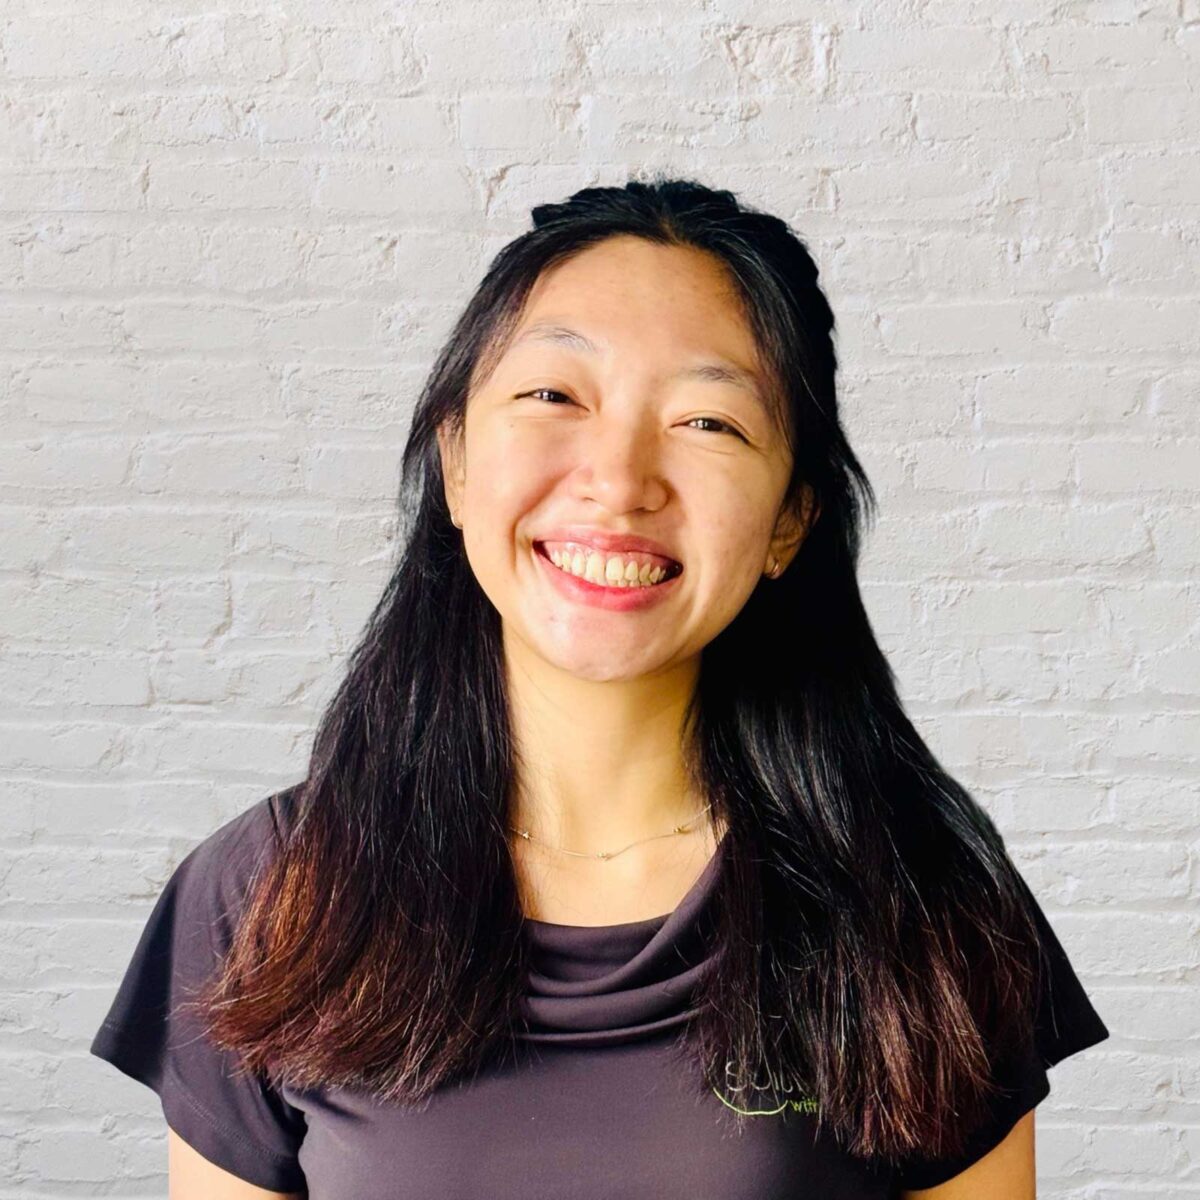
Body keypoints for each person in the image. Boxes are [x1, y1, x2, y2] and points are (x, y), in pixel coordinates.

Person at [90, 177, 1109, 1199]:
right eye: (554, 396)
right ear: (455, 458)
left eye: (708, 421)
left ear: (790, 520)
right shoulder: (265, 895)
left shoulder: (921, 894)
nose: (619, 482)